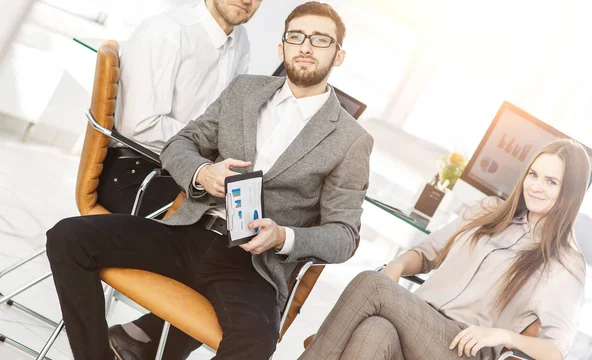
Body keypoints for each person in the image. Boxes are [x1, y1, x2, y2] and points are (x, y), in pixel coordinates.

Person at [46, 2, 373, 360]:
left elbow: (344, 236)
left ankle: (142, 341)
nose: (306, 46)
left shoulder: (351, 140)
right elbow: (182, 142)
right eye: (296, 36)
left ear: (338, 56)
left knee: (254, 344)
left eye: (321, 40)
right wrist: (202, 172)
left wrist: (284, 237)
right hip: (188, 231)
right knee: (67, 238)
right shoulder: (244, 91)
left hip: (252, 266)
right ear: (282, 48)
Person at [301, 138, 589, 360]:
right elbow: (427, 253)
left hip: (461, 348)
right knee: (374, 331)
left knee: (371, 284)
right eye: (534, 174)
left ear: (570, 192)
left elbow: (556, 349)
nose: (536, 186)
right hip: (414, 322)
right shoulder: (488, 211)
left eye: (551, 181)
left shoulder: (564, 263)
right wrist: (397, 266)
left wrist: (502, 336)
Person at [97, 0, 262, 216]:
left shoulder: (241, 41)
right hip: (140, 171)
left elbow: (224, 117)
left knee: (257, 219)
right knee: (213, 234)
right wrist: (204, 151)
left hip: (186, 172)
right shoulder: (166, 31)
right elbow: (138, 125)